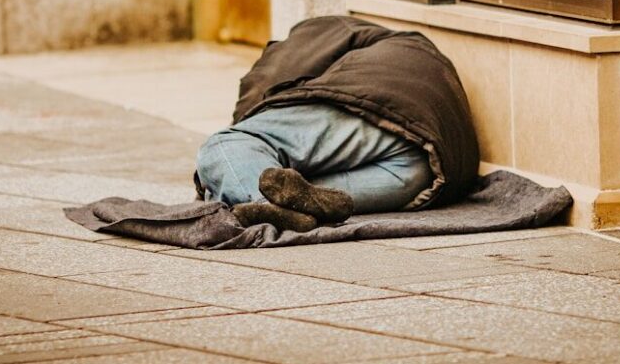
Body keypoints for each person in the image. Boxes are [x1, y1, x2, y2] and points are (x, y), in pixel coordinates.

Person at [195, 16, 480, 232]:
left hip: (380, 107)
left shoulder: (315, 32)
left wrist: (230, 155)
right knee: (299, 194)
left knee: (225, 145)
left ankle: (260, 204)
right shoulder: (403, 47)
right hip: (427, 169)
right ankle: (281, 208)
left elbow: (263, 88)